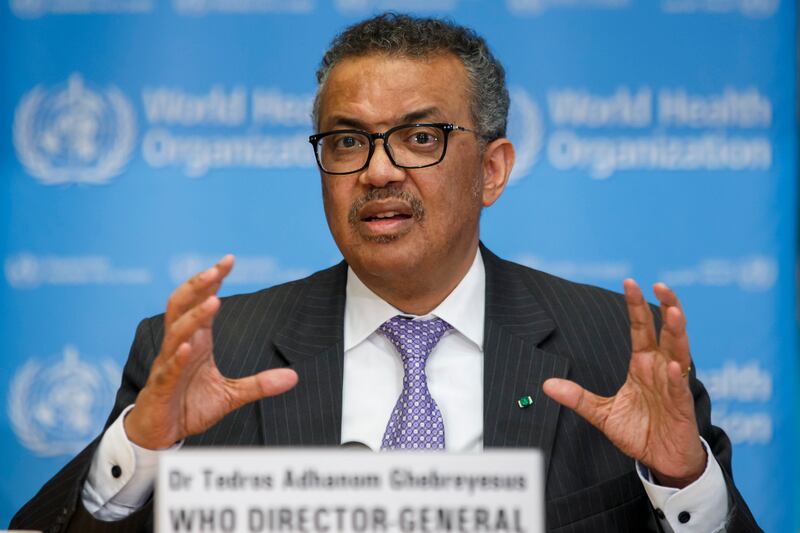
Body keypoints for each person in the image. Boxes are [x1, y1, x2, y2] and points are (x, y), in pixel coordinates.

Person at [11, 13, 760, 533]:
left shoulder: (616, 351)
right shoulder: (214, 353)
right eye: (346, 142)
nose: (376, 171)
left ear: (492, 169)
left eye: (419, 137)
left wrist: (682, 481)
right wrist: (142, 449)